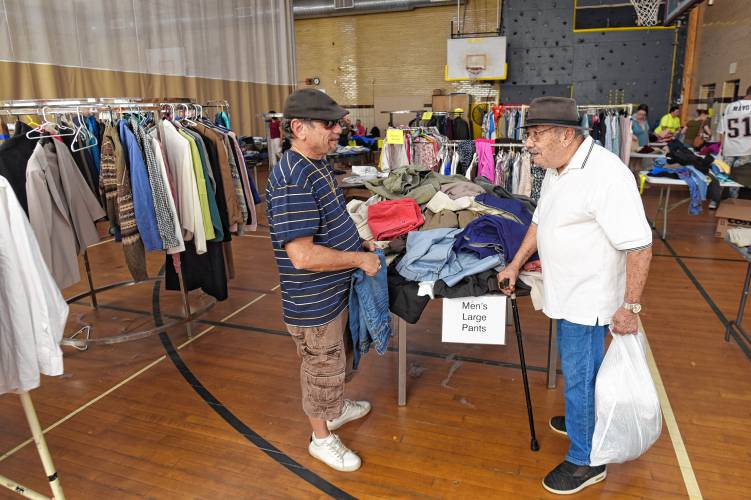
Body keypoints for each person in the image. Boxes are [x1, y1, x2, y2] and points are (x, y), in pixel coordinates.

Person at [496, 97, 653, 495]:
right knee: (581, 372)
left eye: (535, 135)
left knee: (580, 377)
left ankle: (586, 461)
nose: (528, 144)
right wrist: (516, 263)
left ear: (567, 135)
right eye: (528, 134)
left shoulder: (606, 175)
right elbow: (539, 220)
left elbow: (639, 246)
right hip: (564, 292)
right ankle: (586, 417)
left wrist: (630, 307)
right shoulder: (557, 167)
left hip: (590, 300)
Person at [265, 89, 380, 472]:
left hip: (336, 292)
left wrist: (357, 241)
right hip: (313, 304)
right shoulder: (290, 178)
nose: (338, 130)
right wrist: (359, 258)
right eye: (329, 124)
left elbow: (327, 224)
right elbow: (302, 255)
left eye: (338, 122)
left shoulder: (315, 163)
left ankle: (335, 408)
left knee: (336, 360)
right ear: (299, 127)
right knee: (320, 367)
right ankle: (321, 438)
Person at [708, 86, 751, 209]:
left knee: (722, 176)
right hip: (746, 151)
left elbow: (722, 131)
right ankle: (732, 203)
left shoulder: (730, 107)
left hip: (729, 149)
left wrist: (722, 148)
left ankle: (714, 201)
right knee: (737, 178)